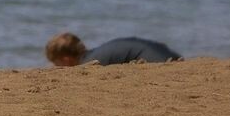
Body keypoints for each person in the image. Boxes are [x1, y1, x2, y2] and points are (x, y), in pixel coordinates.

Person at [45, 33, 181, 67]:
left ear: (66, 60)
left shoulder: (90, 63)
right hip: (170, 55)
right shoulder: (98, 53)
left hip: (162, 63)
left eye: (56, 63)